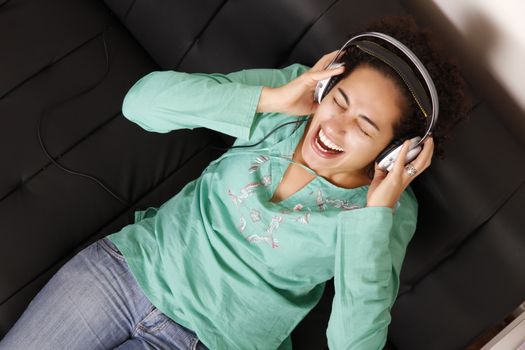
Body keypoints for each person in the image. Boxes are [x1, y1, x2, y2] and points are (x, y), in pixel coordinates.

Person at [0, 15, 469, 350]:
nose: (335, 125)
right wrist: (274, 97)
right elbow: (141, 104)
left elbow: (354, 344)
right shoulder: (292, 100)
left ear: (396, 150)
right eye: (339, 100)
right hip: (126, 274)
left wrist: (375, 218)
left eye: (365, 126)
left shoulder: (386, 212)